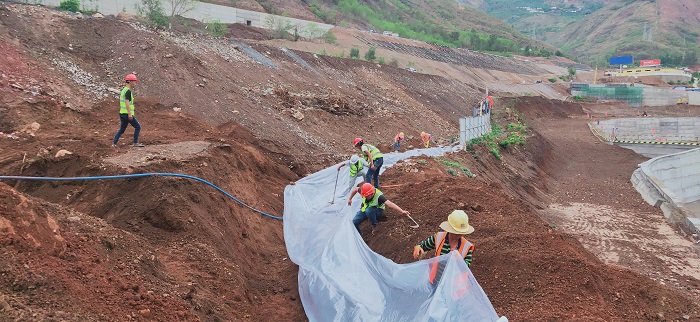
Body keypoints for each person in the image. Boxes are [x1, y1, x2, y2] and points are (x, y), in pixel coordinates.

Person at [413, 210, 475, 284]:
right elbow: (424, 246)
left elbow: (465, 268)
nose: (458, 235)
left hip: (453, 287)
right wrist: (418, 246)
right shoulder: (439, 237)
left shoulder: (467, 247)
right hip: (436, 281)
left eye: (461, 233)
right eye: (456, 233)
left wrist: (458, 260)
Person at [113, 74, 145, 147]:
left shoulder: (124, 90)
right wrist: (130, 114)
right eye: (134, 82)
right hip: (127, 114)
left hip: (122, 113)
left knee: (122, 129)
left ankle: (114, 143)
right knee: (138, 127)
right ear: (130, 81)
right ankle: (135, 142)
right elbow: (127, 102)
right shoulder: (128, 91)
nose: (135, 83)